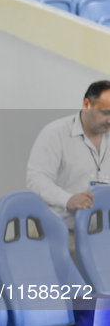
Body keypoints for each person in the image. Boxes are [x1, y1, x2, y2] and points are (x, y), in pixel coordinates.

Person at [27, 80, 110, 237]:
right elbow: (36, 179)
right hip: (56, 234)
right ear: (87, 105)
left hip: (99, 237)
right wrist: (68, 199)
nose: (109, 120)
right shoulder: (55, 133)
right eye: (105, 113)